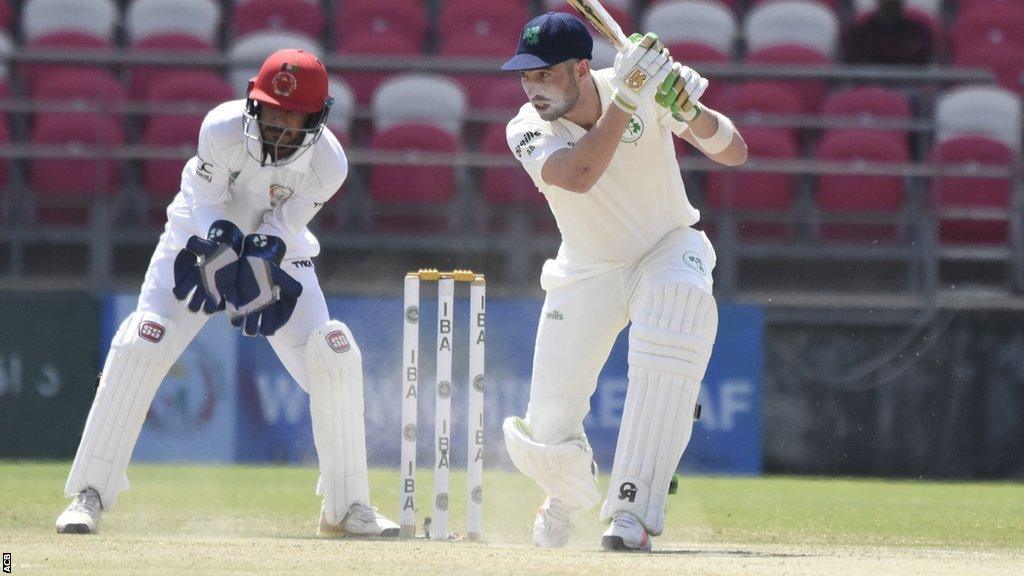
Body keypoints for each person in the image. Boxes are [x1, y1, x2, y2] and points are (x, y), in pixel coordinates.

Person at [55, 49, 399, 538]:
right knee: (142, 342)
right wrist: (217, 242)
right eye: (271, 109)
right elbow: (202, 198)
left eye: (292, 113)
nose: (279, 124)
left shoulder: (328, 164)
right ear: (253, 102)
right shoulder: (220, 128)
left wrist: (262, 259)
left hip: (278, 253)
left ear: (317, 117)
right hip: (195, 238)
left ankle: (347, 509)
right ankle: (88, 494)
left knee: (334, 353)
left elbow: (282, 224)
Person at [499, 13, 747, 551]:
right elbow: (579, 176)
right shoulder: (526, 127)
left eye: (544, 75)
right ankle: (565, 492)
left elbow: (734, 152)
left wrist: (692, 110)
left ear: (582, 68)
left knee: (676, 315)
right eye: (525, 75)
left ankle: (632, 511)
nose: (531, 88)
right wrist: (630, 98)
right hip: (587, 267)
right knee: (545, 429)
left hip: (665, 246)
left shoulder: (637, 85)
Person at [843, 0, 935, 65]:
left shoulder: (918, 32)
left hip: (911, 87)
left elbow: (926, 65)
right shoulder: (860, 33)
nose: (890, 2)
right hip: (870, 85)